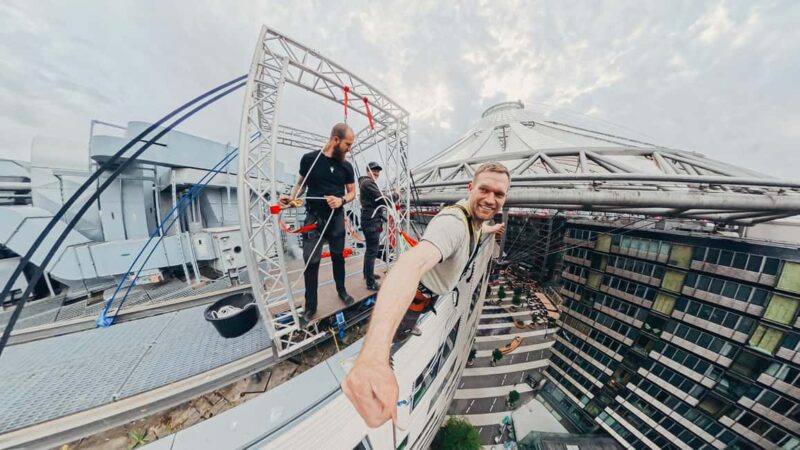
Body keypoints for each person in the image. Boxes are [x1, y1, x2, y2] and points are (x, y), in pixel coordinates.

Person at [342, 161, 510, 427]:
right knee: (400, 332)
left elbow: (475, 231)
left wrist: (490, 229)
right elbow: (411, 264)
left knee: (407, 329)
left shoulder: (473, 220)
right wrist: (373, 356)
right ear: (470, 188)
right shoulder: (453, 223)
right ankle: (373, 360)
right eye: (484, 190)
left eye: (499, 194)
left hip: (423, 298)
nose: (490, 199)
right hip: (413, 301)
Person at [281, 123, 357, 324]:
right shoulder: (310, 160)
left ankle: (342, 291)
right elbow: (300, 185)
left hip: (336, 218)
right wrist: (291, 199)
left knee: (338, 257)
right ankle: (310, 306)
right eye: (348, 144)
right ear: (335, 140)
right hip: (314, 218)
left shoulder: (346, 166)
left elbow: (352, 193)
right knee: (311, 262)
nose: (350, 149)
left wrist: (341, 200)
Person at [358, 161, 399, 291]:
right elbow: (383, 200)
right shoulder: (368, 183)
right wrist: (396, 195)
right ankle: (370, 283)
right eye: (374, 170)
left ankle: (367, 274)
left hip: (369, 220)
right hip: (371, 221)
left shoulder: (365, 183)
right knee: (372, 251)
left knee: (369, 250)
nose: (376, 173)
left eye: (378, 171)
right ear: (367, 170)